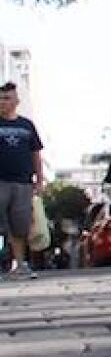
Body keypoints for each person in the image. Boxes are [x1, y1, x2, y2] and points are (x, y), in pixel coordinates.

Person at [0, 81, 43, 280]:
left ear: (16, 101)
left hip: (22, 183)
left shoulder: (27, 126)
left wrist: (39, 180)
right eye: (0, 98)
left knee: (20, 226)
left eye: (7, 98)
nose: (2, 102)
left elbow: (36, 153)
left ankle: (20, 265)